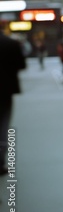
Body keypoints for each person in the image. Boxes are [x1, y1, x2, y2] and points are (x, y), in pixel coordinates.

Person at [0, 26, 26, 175]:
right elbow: (21, 64)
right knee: (3, 125)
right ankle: (0, 161)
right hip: (5, 90)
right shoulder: (11, 43)